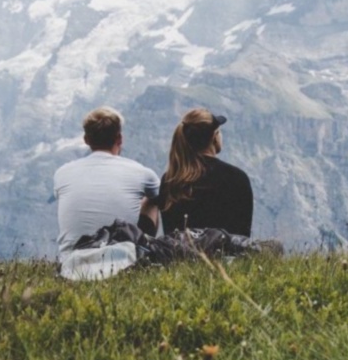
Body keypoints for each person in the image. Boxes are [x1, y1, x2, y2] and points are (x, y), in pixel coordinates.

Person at [53, 106, 160, 256]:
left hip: (71, 263)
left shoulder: (62, 173)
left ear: (86, 140)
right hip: (124, 261)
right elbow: (160, 198)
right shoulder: (142, 173)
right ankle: (144, 253)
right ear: (120, 139)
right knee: (152, 200)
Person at [155, 108, 253, 237]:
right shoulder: (236, 178)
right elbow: (242, 236)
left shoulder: (171, 180)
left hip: (179, 249)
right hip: (225, 250)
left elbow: (170, 232)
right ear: (214, 137)